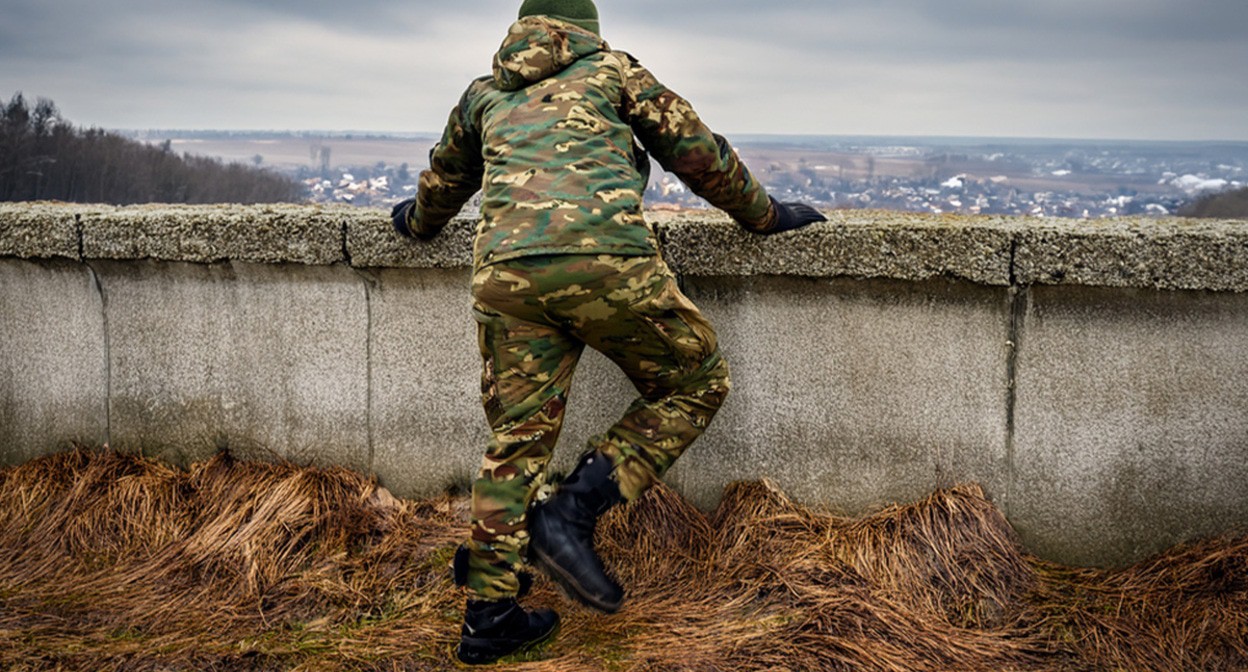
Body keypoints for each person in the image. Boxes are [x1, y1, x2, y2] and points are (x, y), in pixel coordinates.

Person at [391, 0, 826, 664]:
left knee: (516, 443)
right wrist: (765, 215)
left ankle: (488, 617)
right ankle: (570, 513)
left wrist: (416, 222)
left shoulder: (484, 94)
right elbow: (696, 151)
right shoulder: (614, 71)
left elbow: (446, 181)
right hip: (606, 263)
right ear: (587, 30)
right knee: (695, 381)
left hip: (507, 277)